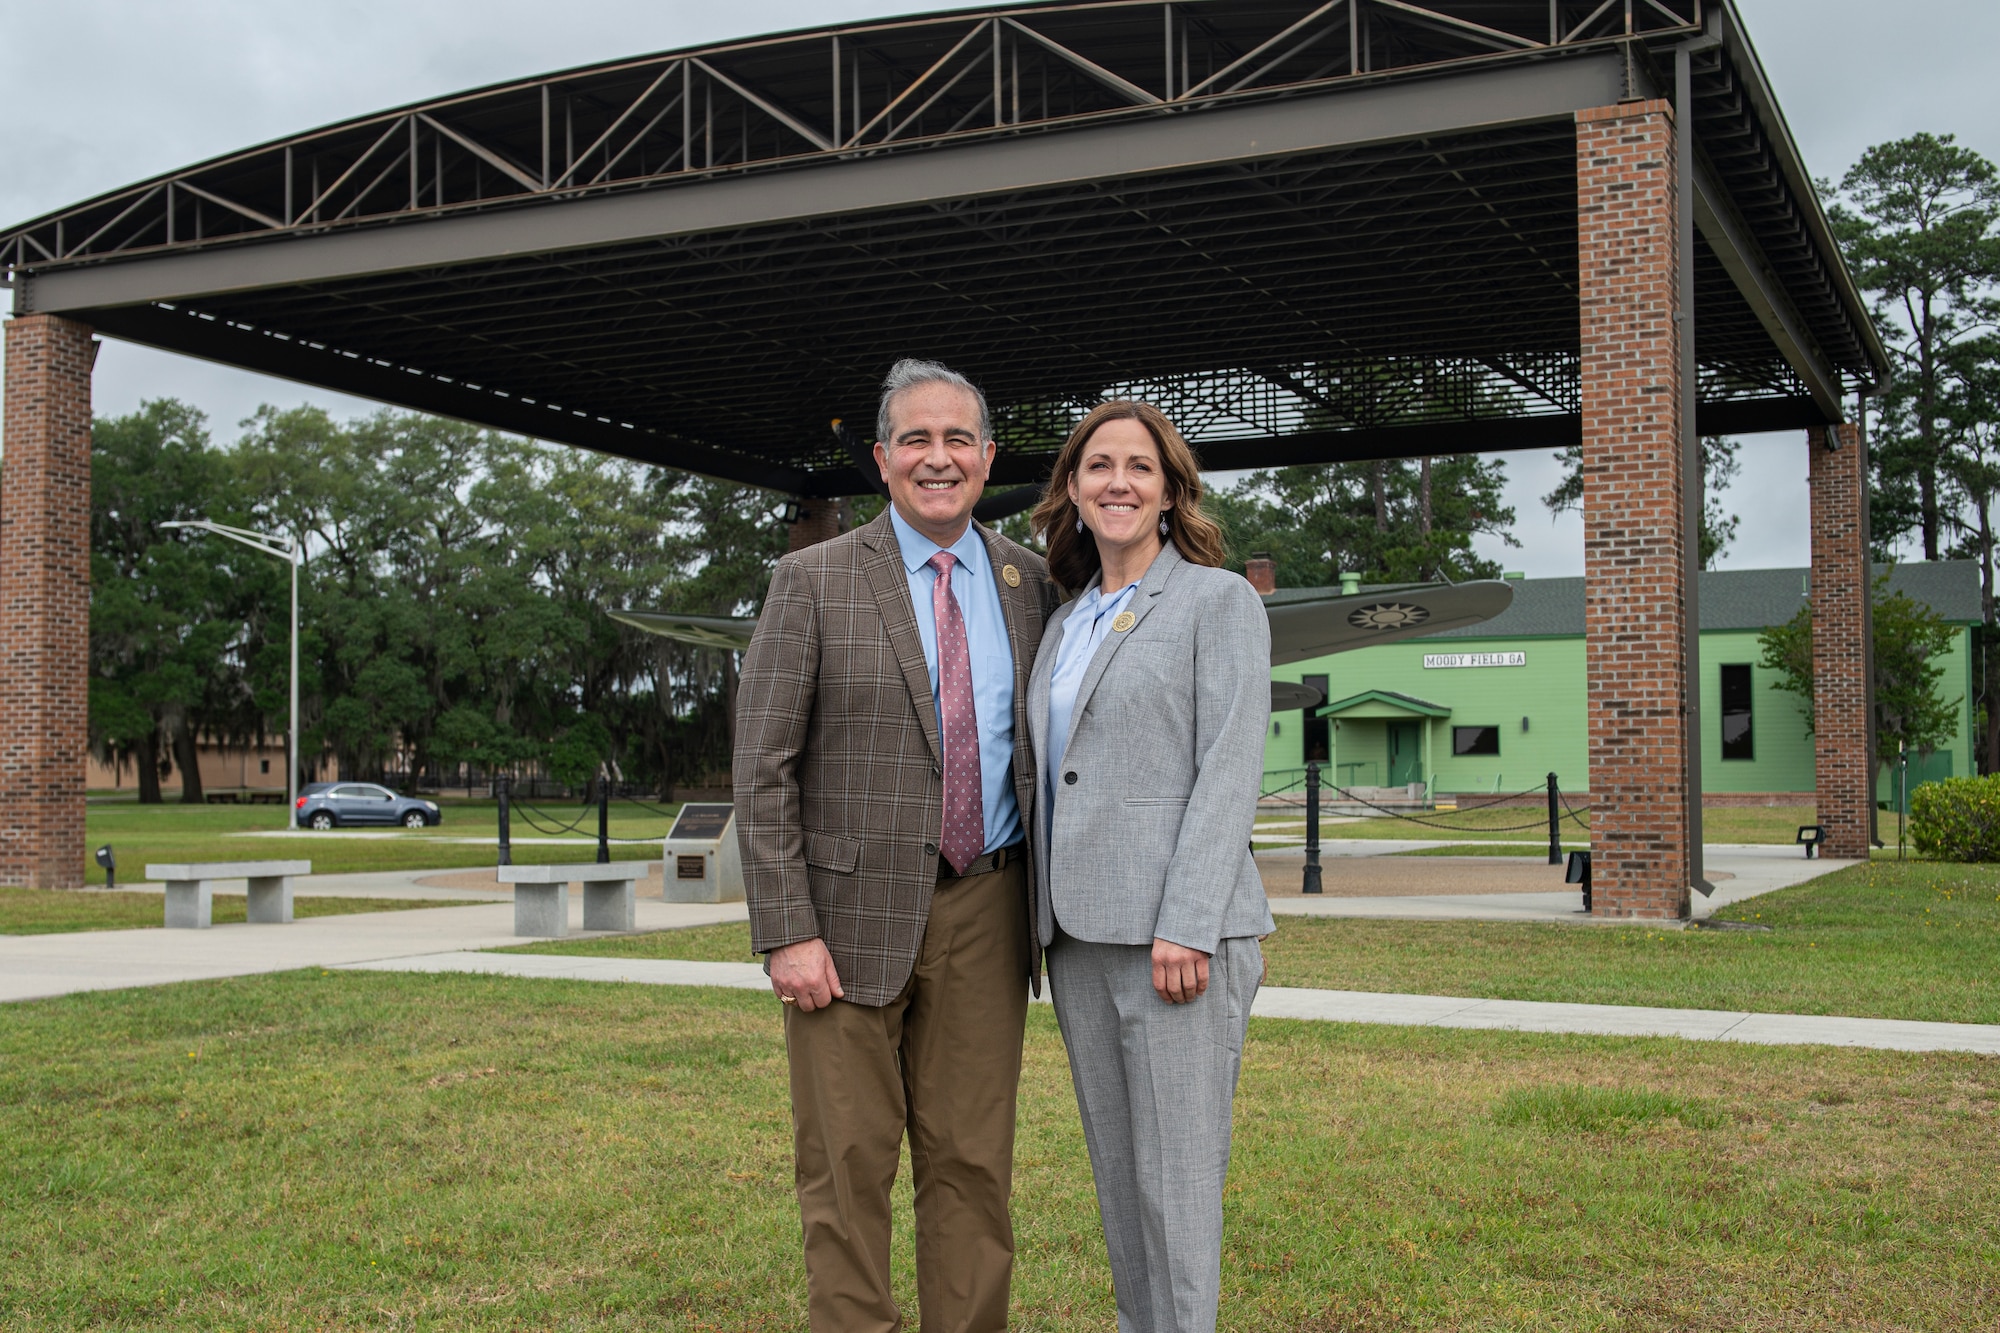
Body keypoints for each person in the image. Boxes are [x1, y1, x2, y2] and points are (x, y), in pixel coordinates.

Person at [734, 358, 1059, 1333]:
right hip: (840, 926)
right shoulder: (811, 581)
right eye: (915, 438)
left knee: (970, 1166)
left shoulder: (1030, 585)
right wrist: (785, 929)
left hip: (988, 909)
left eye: (957, 438)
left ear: (988, 457)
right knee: (847, 1169)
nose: (937, 457)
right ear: (881, 459)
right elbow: (762, 770)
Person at [1026, 400, 1273, 1333]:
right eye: (1098, 467)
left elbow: (1229, 766)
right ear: (1074, 491)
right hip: (1080, 940)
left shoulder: (1218, 601)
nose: (1117, 482)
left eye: (1138, 467)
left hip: (1179, 941)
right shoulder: (1065, 623)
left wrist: (1189, 920)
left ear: (1169, 490)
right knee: (1122, 1181)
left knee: (1176, 1186)